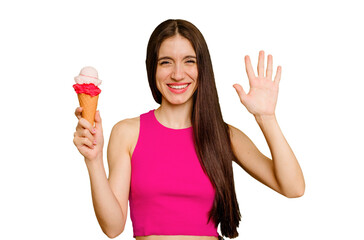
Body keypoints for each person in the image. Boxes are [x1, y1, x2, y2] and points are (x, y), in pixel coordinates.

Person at [73, 19, 305, 240]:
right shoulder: (127, 133)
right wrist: (93, 161)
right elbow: (113, 227)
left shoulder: (223, 136)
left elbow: (293, 187)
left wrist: (266, 118)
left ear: (202, 68)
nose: (177, 73)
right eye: (166, 62)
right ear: (152, 68)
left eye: (189, 61)